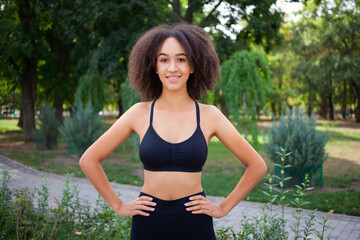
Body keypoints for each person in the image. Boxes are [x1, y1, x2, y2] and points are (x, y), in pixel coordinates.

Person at [79, 23, 267, 240]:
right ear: (155, 67)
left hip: (194, 221)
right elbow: (89, 159)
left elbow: (257, 165)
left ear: (193, 66)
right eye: (164, 59)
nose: (172, 68)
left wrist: (223, 208)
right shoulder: (138, 113)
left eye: (181, 59)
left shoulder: (210, 116)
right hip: (149, 220)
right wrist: (118, 205)